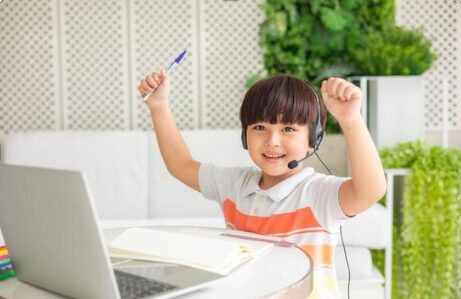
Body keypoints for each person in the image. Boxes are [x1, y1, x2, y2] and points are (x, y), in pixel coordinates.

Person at [138, 70, 386, 299]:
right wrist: (159, 107)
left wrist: (351, 119)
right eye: (260, 128)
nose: (272, 141)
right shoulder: (234, 184)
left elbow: (371, 190)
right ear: (246, 136)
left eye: (288, 128)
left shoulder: (318, 194)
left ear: (314, 140)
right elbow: (181, 166)